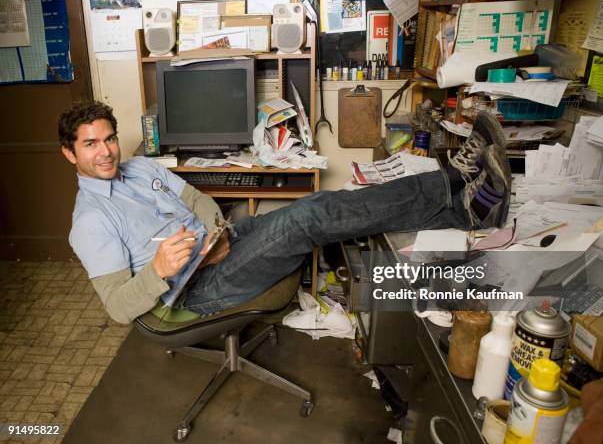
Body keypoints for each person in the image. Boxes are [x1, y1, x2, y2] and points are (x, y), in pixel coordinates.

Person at [59, 101, 511, 324]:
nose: (106, 152)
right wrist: (162, 268)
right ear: (69, 154)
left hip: (219, 247)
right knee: (308, 220)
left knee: (315, 203)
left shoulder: (137, 167)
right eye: (90, 144)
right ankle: (454, 186)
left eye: (110, 138)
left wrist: (214, 235)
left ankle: (457, 198)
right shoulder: (91, 222)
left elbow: (195, 198)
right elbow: (118, 307)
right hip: (197, 287)